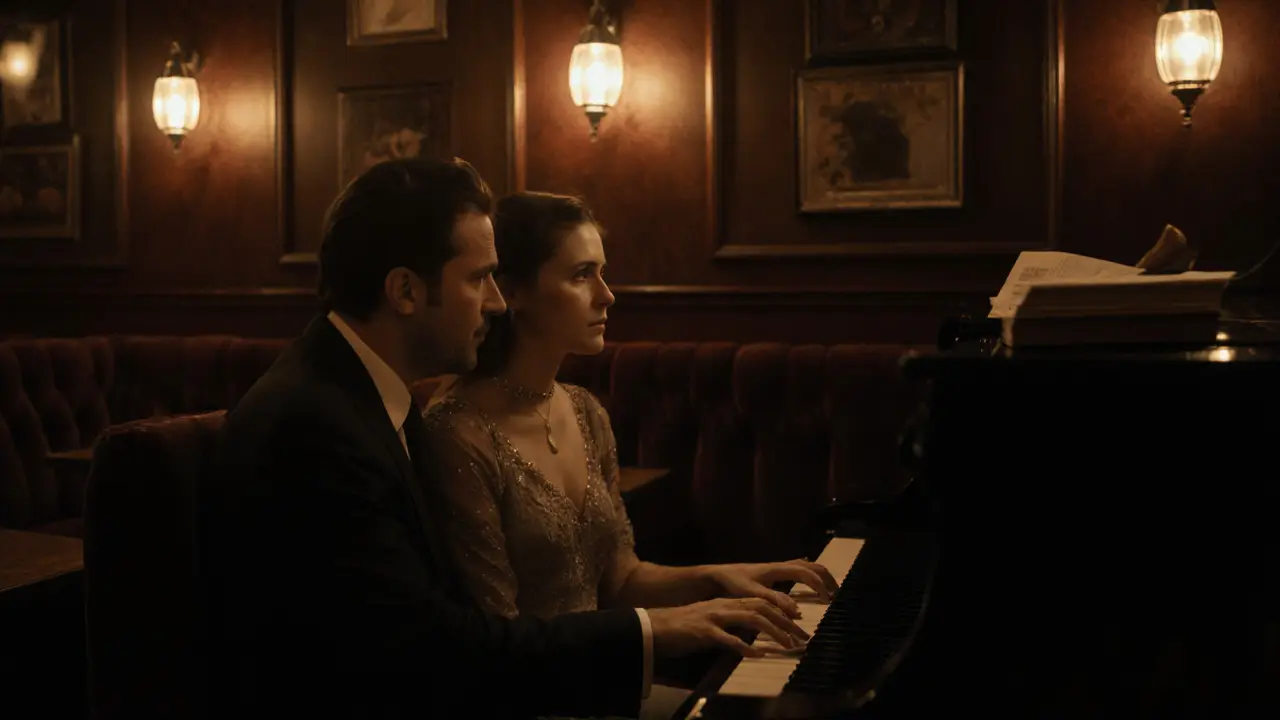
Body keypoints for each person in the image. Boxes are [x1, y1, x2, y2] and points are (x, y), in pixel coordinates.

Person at [197, 158, 811, 720]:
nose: (494, 304)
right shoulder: (317, 424)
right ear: (405, 291)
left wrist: (711, 587)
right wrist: (660, 629)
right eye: (479, 280)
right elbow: (433, 649)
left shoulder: (360, 393)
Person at [421, 192, 841, 715]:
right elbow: (498, 642)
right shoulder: (456, 433)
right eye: (581, 275)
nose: (607, 295)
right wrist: (664, 628)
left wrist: (721, 579)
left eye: (602, 272)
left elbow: (619, 578)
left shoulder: (583, 410)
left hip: (605, 690)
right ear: (512, 291)